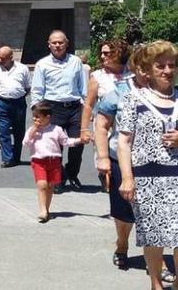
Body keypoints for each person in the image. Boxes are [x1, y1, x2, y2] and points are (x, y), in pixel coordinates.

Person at [116, 40, 178, 290]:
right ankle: (155, 283)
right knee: (155, 235)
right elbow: (123, 142)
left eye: (171, 65)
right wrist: (127, 177)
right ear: (149, 69)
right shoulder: (133, 98)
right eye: (160, 66)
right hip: (147, 178)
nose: (166, 70)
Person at [94, 44, 144, 273]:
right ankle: (122, 244)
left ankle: (155, 257)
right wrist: (103, 157)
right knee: (125, 213)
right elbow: (102, 124)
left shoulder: (170, 94)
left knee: (156, 212)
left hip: (159, 163)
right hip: (119, 160)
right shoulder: (120, 91)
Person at [30, 30, 88, 193]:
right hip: (52, 108)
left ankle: (72, 173)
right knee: (55, 146)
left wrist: (86, 109)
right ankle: (59, 178)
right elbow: (37, 90)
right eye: (54, 42)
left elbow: (83, 87)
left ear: (66, 43)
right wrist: (37, 112)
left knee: (78, 144)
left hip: (75, 107)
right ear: (49, 44)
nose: (57, 45)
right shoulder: (42, 64)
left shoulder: (76, 62)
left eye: (60, 42)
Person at [22, 102, 87, 223]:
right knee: (42, 185)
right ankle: (42, 210)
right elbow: (26, 143)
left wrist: (80, 140)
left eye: (38, 117)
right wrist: (34, 131)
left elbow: (66, 142)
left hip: (54, 161)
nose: (35, 119)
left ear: (47, 117)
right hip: (38, 161)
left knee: (51, 186)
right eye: (34, 117)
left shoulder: (56, 129)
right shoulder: (32, 130)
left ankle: (46, 209)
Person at [82, 39, 132, 188]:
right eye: (101, 53)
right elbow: (88, 104)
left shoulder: (132, 73)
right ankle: (110, 189)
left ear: (119, 53)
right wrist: (84, 129)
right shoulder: (98, 76)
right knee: (108, 166)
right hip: (105, 126)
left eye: (107, 53)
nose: (103, 56)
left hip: (127, 124)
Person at [0, 46, 31, 167]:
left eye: (2, 58)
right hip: (1, 102)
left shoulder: (22, 69)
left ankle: (16, 157)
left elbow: (27, 87)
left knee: (19, 131)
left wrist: (17, 95)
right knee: (4, 131)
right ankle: (7, 158)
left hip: (18, 103)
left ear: (11, 57)